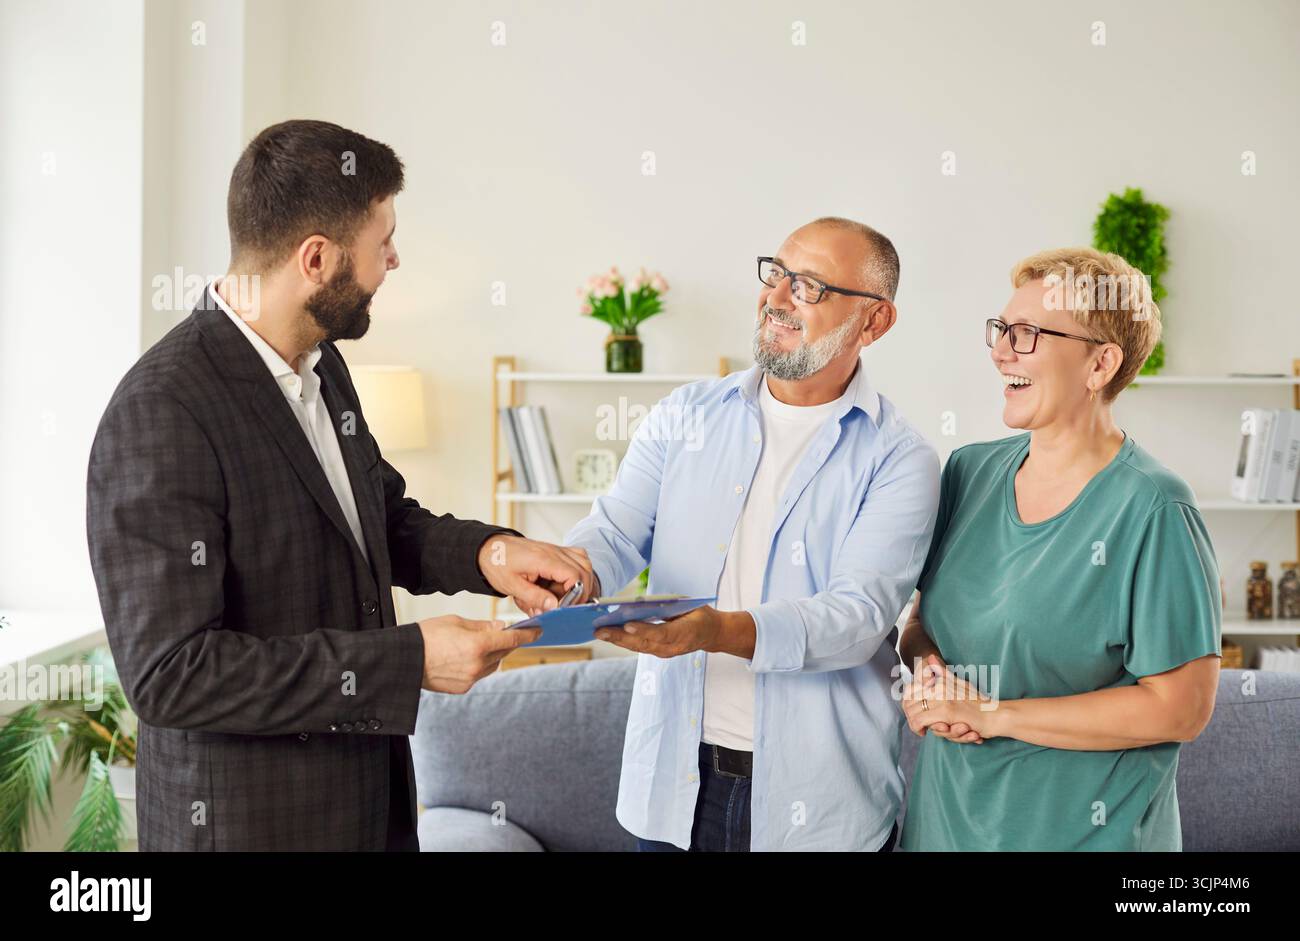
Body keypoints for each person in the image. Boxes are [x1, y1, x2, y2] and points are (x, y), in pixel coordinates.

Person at [86, 120, 593, 851]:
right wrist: (409, 657)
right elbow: (173, 673)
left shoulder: (324, 368)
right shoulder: (160, 410)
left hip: (370, 814)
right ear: (317, 258)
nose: (394, 258)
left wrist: (490, 554)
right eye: (382, 239)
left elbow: (379, 519)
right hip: (250, 831)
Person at [565, 217, 939, 851]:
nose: (779, 297)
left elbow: (856, 617)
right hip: (673, 795)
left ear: (874, 322)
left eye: (811, 286)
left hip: (820, 809)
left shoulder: (901, 459)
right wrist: (568, 571)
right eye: (778, 274)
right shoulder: (684, 414)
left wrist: (718, 630)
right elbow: (616, 531)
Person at [898, 247, 1221, 851]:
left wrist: (994, 714)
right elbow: (921, 625)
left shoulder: (1154, 508)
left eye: (1027, 334)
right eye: (1001, 330)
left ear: (1100, 364)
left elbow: (1181, 709)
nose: (1000, 351)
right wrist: (930, 674)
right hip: (945, 829)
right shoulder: (969, 472)